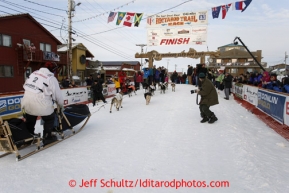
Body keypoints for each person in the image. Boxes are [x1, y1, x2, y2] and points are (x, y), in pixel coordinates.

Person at [21, 61, 64, 145]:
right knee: (49, 119)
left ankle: (29, 138)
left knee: (30, 118)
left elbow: (26, 85)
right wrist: (60, 105)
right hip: (41, 103)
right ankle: (47, 138)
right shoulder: (51, 78)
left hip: (27, 101)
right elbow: (58, 95)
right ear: (53, 70)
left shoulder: (33, 73)